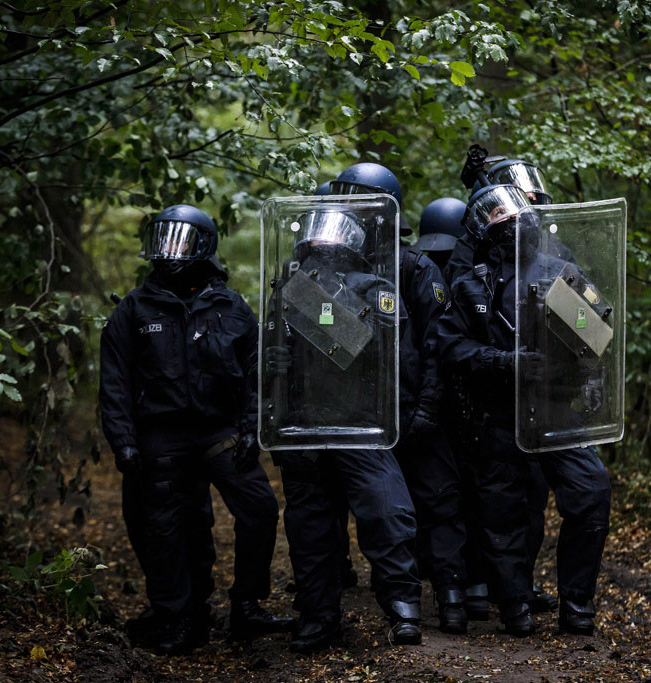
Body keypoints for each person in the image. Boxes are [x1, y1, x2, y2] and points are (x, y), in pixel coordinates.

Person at [99, 204, 292, 655]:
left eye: (181, 242)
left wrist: (250, 429)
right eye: (164, 240)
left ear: (204, 247)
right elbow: (114, 382)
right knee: (167, 529)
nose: (170, 252)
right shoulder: (134, 308)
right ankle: (181, 617)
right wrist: (123, 442)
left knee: (259, 508)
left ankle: (247, 605)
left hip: (219, 431)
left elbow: (256, 372)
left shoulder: (232, 305)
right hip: (161, 436)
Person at [437, 183, 612, 637]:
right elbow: (450, 346)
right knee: (503, 512)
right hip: (498, 414)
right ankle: (514, 604)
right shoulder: (470, 283)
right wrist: (501, 362)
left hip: (556, 410)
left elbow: (594, 335)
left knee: (590, 489)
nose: (506, 217)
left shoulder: (558, 270)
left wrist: (590, 376)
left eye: (508, 208)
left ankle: (577, 604)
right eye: (493, 212)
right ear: (480, 224)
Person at [263, 190, 423, 654]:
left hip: (361, 425)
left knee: (387, 514)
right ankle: (317, 615)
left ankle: (402, 608)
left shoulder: (376, 287)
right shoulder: (286, 287)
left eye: (333, 233)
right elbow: (271, 353)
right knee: (310, 527)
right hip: (305, 427)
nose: (321, 242)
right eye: (315, 232)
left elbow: (393, 356)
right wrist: (273, 366)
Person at [336, 167, 470, 635]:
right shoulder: (337, 266)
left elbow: (438, 347)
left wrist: (428, 411)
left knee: (441, 502)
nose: (351, 210)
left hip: (416, 414)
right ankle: (400, 604)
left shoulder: (415, 266)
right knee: (385, 510)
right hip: (364, 419)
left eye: (361, 200)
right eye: (345, 200)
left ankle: (452, 597)